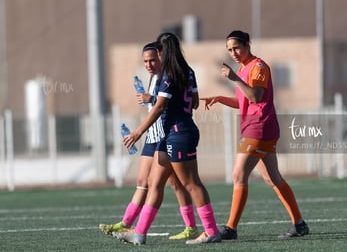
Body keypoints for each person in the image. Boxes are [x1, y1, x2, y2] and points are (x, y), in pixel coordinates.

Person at [114, 33, 221, 245]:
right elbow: (196, 102)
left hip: (179, 134)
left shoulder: (168, 74)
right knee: (155, 183)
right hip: (171, 134)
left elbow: (159, 106)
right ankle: (140, 233)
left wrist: (137, 132)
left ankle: (211, 231)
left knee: (191, 183)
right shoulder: (188, 71)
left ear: (162, 52)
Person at [201, 30, 309, 239]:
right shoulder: (242, 70)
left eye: (236, 48)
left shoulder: (258, 66)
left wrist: (234, 78)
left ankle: (230, 229)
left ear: (247, 44)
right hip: (255, 127)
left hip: (260, 127)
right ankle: (299, 224)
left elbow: (256, 96)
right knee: (272, 178)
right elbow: (245, 100)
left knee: (238, 175)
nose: (233, 53)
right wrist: (221, 98)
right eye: (229, 50)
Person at [98, 42, 199, 240]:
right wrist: (151, 100)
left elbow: (165, 105)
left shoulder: (171, 75)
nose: (149, 64)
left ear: (162, 55)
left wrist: (139, 127)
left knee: (170, 183)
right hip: (156, 135)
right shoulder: (160, 76)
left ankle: (137, 228)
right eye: (145, 61)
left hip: (166, 134)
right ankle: (130, 225)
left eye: (153, 59)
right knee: (151, 182)